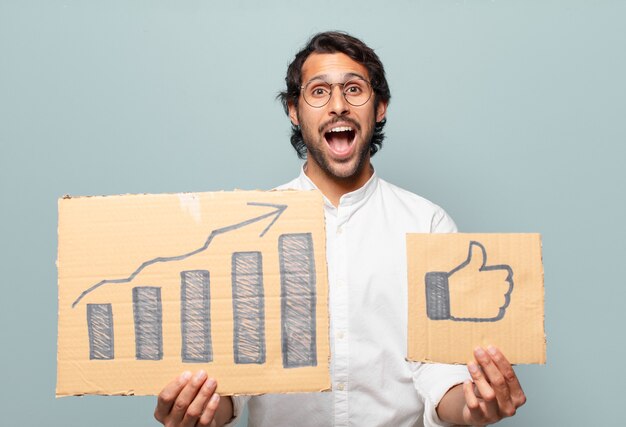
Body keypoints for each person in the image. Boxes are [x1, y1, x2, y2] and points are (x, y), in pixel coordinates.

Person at [153, 31, 526, 427]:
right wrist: (200, 410)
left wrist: (472, 408)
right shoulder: (248, 229)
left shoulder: (427, 224)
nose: (338, 106)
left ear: (379, 107)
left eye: (353, 89)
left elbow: (439, 372)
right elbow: (236, 377)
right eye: (318, 92)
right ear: (294, 111)